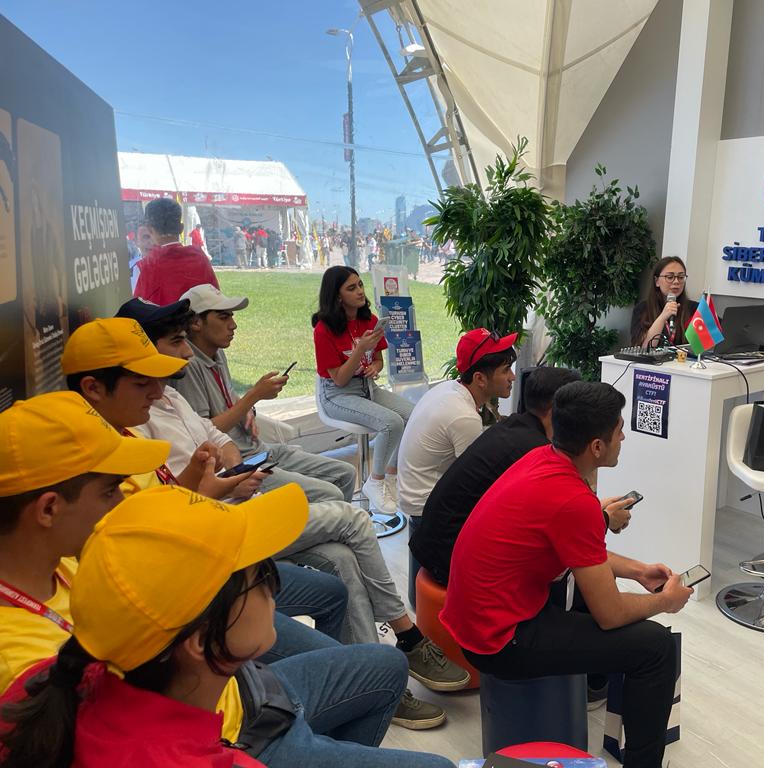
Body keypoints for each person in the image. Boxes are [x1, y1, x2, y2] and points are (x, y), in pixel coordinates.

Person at [63, 311, 466, 726]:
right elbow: (166, 522)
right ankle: (405, 637)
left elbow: (199, 463)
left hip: (231, 507)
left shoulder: (145, 420)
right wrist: (222, 474)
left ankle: (369, 680)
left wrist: (219, 474)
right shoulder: (119, 447)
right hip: (217, 547)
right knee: (351, 519)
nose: (157, 385)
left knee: (342, 554)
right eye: (143, 378)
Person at [0, 481, 456, 768]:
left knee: (384, 664)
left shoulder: (88, 684)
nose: (276, 591)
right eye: (261, 576)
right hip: (241, 731)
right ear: (200, 640)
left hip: (243, 700)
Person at [440, 381, 693, 768]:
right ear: (597, 447)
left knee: (590, 595)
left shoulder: (542, 458)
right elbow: (610, 614)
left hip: (475, 618)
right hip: (499, 641)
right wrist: (665, 602)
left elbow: (581, 550)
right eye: (619, 430)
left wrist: (639, 570)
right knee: (655, 648)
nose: (624, 437)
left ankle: (594, 683)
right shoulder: (573, 500)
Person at [172, 283, 357, 505]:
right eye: (223, 317)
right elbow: (202, 433)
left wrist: (247, 411)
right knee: (330, 494)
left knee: (345, 473)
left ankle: (340, 522)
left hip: (259, 451)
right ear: (196, 323)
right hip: (241, 463)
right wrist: (254, 396)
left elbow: (228, 400)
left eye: (231, 316)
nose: (233, 325)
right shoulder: (189, 366)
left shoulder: (217, 353)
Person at [410, 366, 582, 586]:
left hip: (433, 542)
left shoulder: (512, 426)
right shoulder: (535, 452)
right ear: (554, 410)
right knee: (556, 561)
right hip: (448, 557)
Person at [397, 327, 517, 605]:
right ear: (480, 378)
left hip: (415, 495)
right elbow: (478, 482)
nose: (512, 376)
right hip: (426, 505)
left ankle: (422, 605)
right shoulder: (463, 417)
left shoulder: (450, 389)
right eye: (505, 370)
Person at [313, 266, 414, 514]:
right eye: (351, 288)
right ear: (337, 296)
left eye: (360, 285)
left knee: (414, 415)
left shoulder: (369, 320)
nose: (360, 291)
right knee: (392, 422)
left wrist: (374, 368)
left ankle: (390, 475)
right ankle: (374, 482)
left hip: (367, 387)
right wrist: (360, 350)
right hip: (337, 394)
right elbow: (339, 379)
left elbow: (378, 360)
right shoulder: (324, 330)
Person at [133, 198, 219, 305]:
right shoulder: (199, 257)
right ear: (181, 228)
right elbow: (216, 299)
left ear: (150, 230)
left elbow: (138, 309)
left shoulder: (146, 266)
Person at [631, 256, 698, 348]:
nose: (676, 282)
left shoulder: (695, 309)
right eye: (670, 277)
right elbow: (643, 348)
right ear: (657, 281)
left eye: (681, 277)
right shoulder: (643, 309)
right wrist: (662, 317)